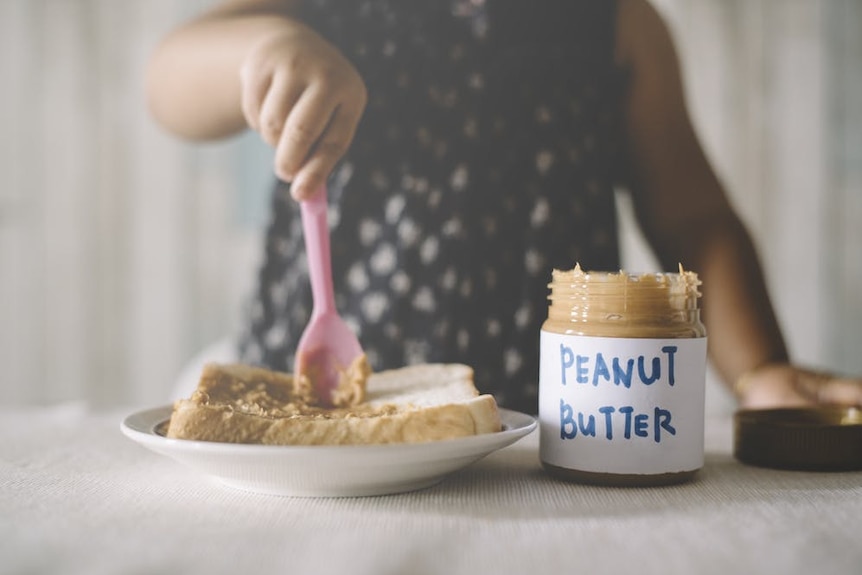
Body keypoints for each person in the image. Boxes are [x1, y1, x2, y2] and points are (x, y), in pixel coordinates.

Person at [147, 0, 862, 415]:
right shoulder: (317, 8)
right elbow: (169, 82)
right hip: (312, 409)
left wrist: (761, 368)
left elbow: (695, 221)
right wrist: (261, 51)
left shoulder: (617, 25)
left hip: (541, 426)